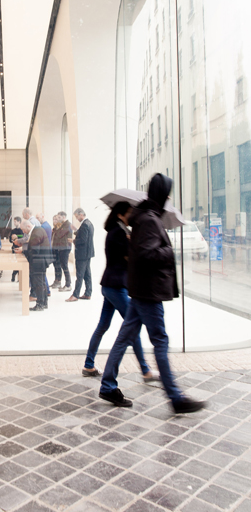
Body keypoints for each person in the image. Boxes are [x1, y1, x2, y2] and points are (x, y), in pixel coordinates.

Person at [99, 174, 207, 414]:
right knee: (160, 340)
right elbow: (147, 255)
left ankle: (107, 385)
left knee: (124, 337)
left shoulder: (144, 218)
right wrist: (169, 251)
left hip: (141, 291)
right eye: (167, 193)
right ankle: (176, 397)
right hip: (148, 292)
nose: (169, 197)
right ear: (162, 195)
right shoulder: (149, 220)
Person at [82, 202, 156, 381]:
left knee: (103, 326)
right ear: (122, 214)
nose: (132, 216)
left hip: (111, 286)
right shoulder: (118, 233)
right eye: (130, 212)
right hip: (116, 287)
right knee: (132, 327)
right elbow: (130, 258)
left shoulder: (119, 231)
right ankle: (145, 370)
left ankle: (89, 365)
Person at [16, 219, 50, 312]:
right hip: (41, 261)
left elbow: (34, 250)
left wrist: (24, 252)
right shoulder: (38, 230)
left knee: (39, 283)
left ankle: (40, 304)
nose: (23, 232)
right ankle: (43, 303)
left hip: (38, 262)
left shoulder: (36, 232)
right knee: (42, 282)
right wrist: (23, 250)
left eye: (23, 229)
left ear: (28, 226)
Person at [66, 208, 94, 302]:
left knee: (80, 274)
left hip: (82, 254)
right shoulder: (89, 223)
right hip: (87, 253)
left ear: (81, 214)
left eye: (77, 216)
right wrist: (76, 230)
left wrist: (73, 240)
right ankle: (88, 293)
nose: (77, 218)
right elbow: (83, 235)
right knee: (87, 274)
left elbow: (83, 240)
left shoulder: (85, 225)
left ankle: (75, 295)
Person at [51, 211, 72, 291]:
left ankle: (68, 284)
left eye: (59, 217)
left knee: (65, 266)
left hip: (65, 248)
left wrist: (56, 229)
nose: (57, 219)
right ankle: (66, 283)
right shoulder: (63, 225)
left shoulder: (67, 225)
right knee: (62, 266)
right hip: (61, 248)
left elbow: (59, 234)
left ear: (63, 217)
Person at [10, 217, 24, 282]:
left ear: (19, 222)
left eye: (15, 221)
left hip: (21, 248)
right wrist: (12, 238)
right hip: (14, 248)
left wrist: (17, 236)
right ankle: (13, 275)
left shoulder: (22, 229)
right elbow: (10, 239)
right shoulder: (13, 230)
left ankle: (19, 277)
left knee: (20, 263)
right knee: (15, 263)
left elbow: (23, 236)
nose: (14, 223)